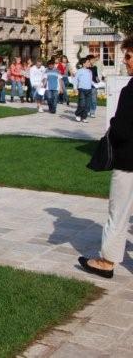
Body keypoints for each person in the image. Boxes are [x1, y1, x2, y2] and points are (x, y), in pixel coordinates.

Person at [78, 36, 133, 279]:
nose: (125, 60)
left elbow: (121, 130)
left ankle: (107, 260)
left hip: (129, 162)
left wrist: (113, 123)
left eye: (129, 56)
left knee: (118, 212)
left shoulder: (131, 90)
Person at [74, 57, 94, 122]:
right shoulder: (79, 71)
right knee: (82, 104)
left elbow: (90, 81)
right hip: (82, 89)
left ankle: (84, 117)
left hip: (89, 90)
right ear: (83, 64)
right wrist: (75, 88)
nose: (89, 63)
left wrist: (97, 85)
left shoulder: (90, 71)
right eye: (88, 62)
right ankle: (78, 114)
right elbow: (75, 80)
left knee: (87, 105)